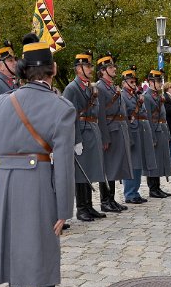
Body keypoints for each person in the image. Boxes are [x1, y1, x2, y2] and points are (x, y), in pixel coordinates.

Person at [0, 35, 75, 287]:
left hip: (5, 184)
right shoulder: (61, 107)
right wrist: (64, 209)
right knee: (43, 251)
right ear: (53, 69)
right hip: (39, 184)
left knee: (13, 247)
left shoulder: (0, 103)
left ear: (22, 70)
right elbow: (64, 164)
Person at [63, 52, 108, 222]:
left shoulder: (89, 87)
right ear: (78, 69)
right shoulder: (72, 88)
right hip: (81, 132)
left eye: (90, 66)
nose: (90, 69)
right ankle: (81, 208)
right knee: (81, 172)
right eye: (87, 66)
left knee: (89, 170)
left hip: (92, 130)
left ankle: (89, 206)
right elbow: (70, 116)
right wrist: (76, 140)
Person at [94, 54, 133, 214]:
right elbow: (100, 114)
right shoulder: (100, 87)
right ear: (103, 71)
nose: (114, 69)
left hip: (118, 129)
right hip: (110, 129)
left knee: (115, 165)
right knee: (107, 167)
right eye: (110, 67)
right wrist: (105, 137)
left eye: (113, 66)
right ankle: (105, 201)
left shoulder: (110, 86)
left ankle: (111, 198)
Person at [121, 66, 153, 204]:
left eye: (135, 82)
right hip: (131, 131)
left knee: (138, 163)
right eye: (131, 82)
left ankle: (135, 191)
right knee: (133, 164)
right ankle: (129, 193)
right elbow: (124, 116)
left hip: (138, 130)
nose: (134, 84)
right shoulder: (123, 96)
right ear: (124, 83)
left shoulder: (135, 94)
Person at [143, 70, 171, 196]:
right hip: (154, 130)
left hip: (162, 130)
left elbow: (163, 115)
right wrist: (152, 137)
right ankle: (153, 188)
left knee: (160, 160)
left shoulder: (158, 96)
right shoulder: (147, 96)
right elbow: (148, 118)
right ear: (151, 82)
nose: (161, 84)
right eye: (158, 81)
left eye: (161, 81)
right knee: (153, 160)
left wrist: (167, 132)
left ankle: (157, 187)